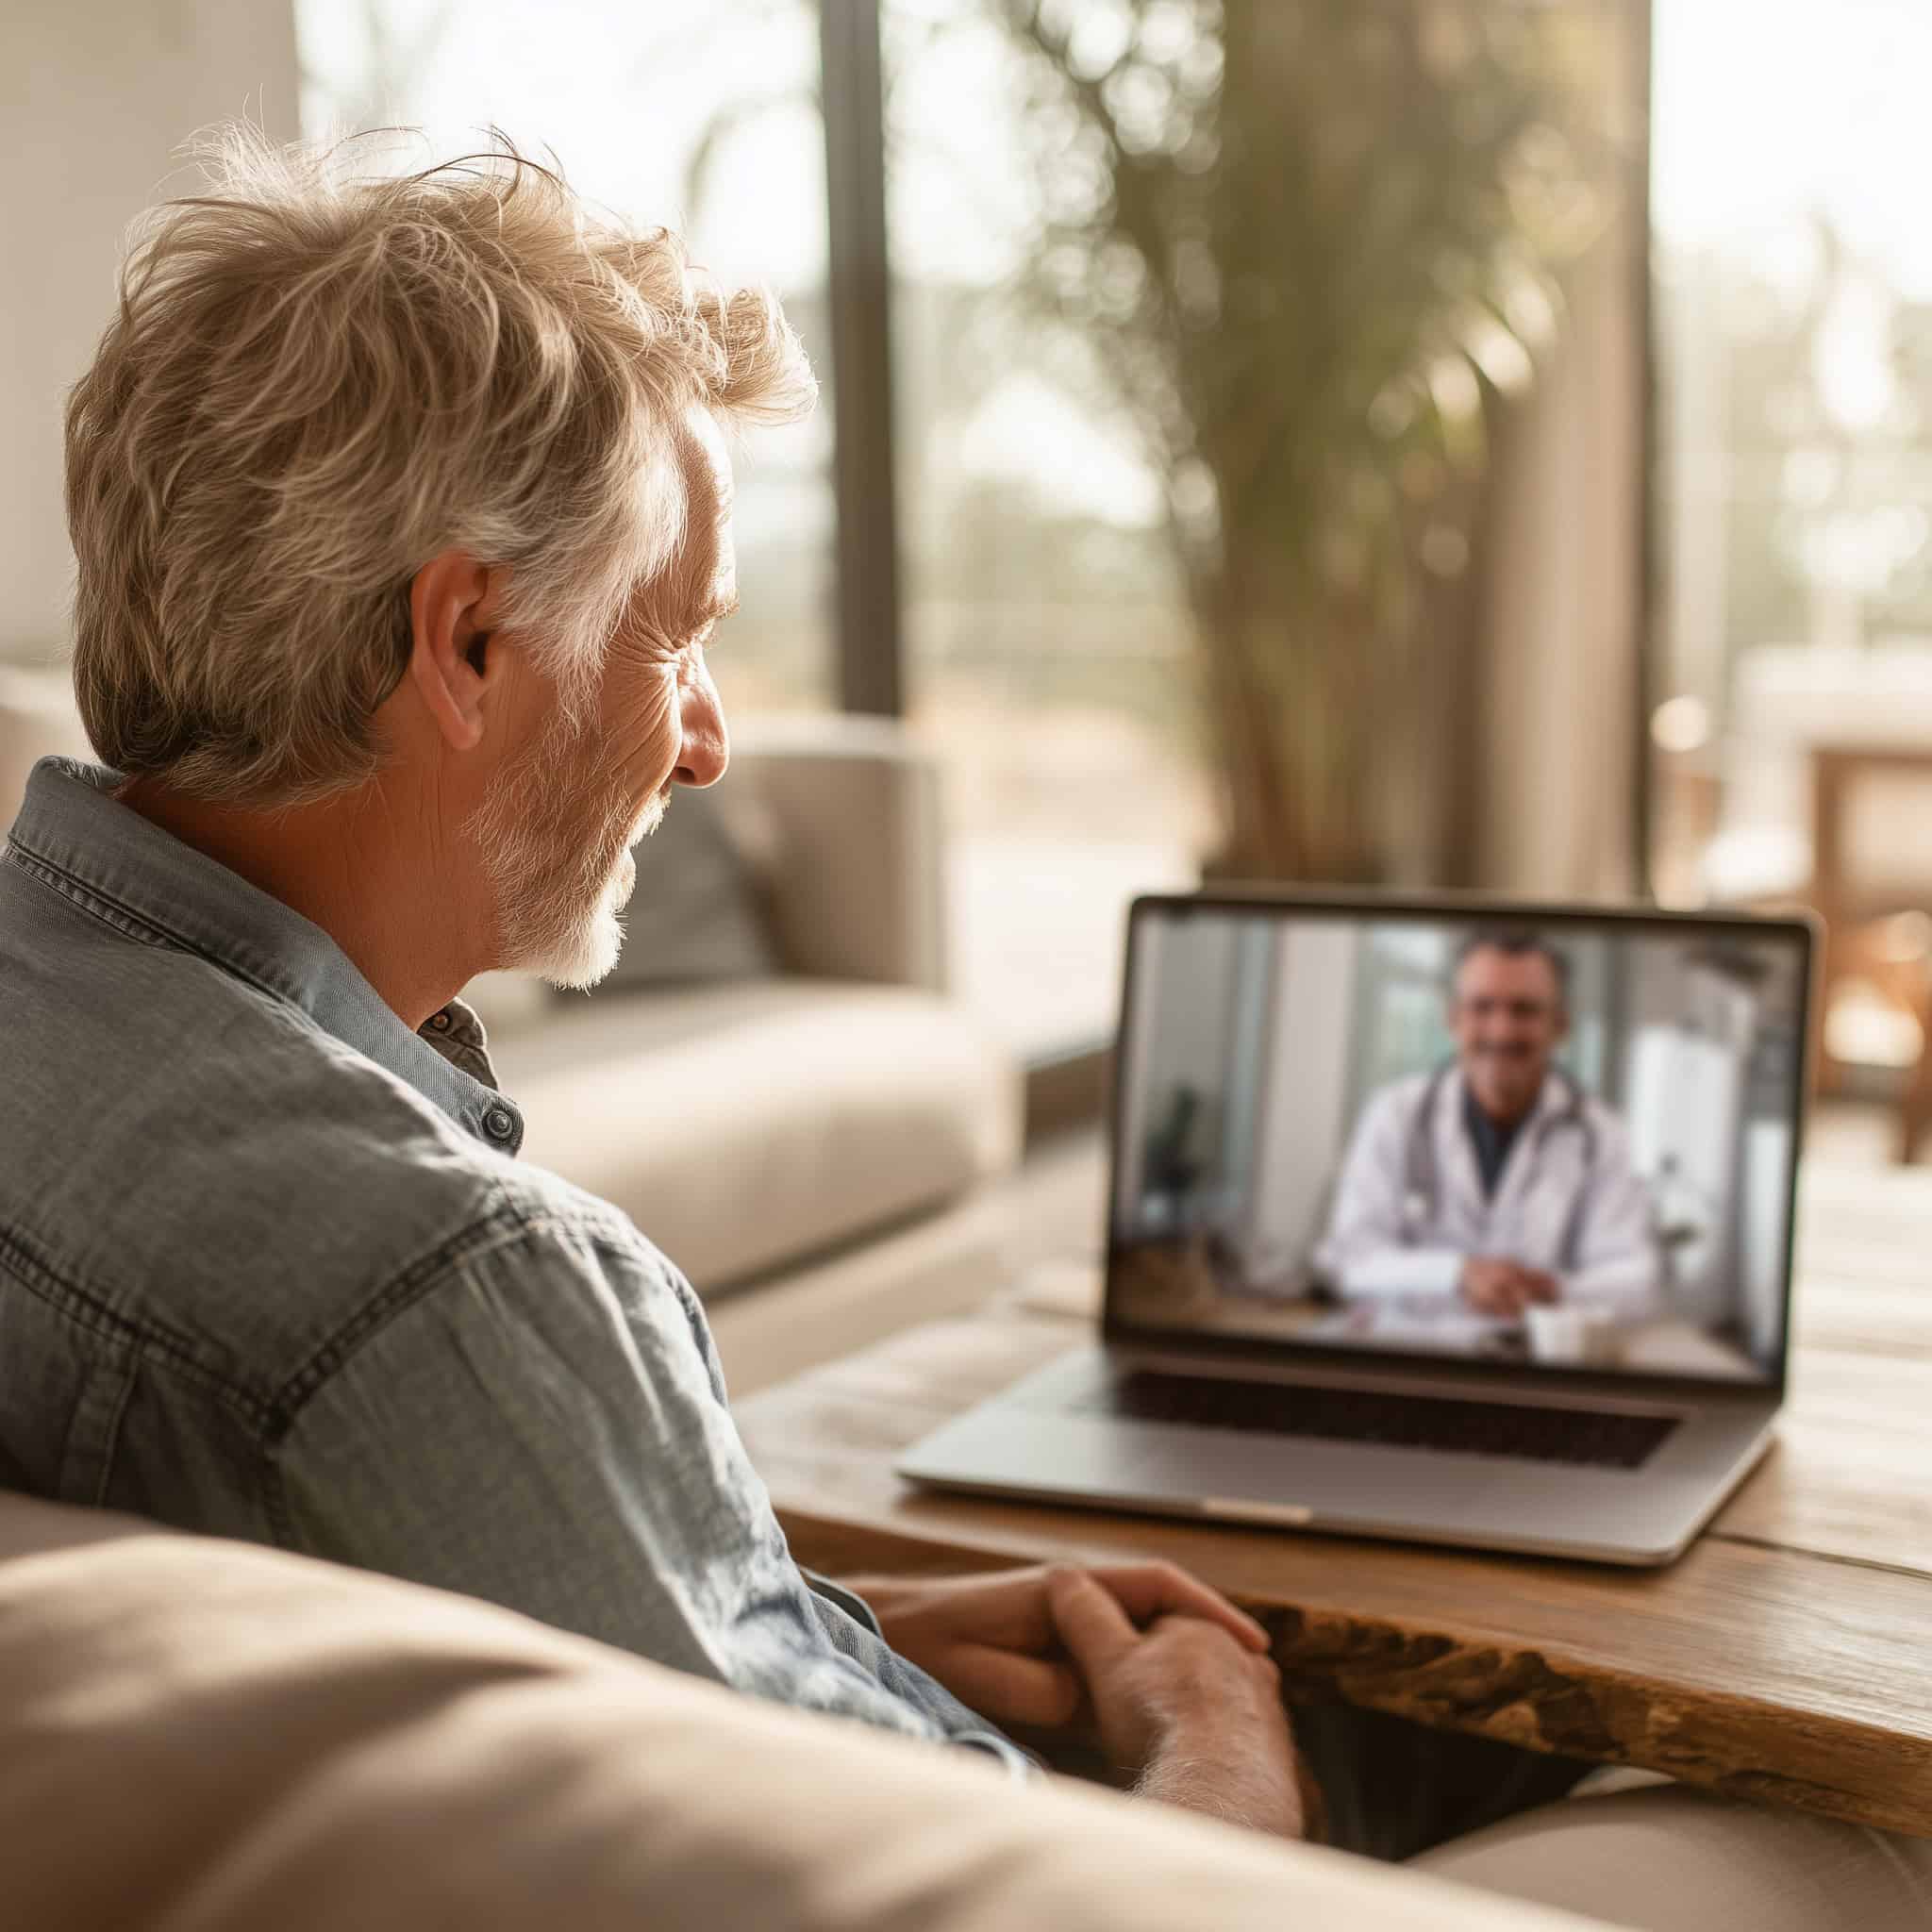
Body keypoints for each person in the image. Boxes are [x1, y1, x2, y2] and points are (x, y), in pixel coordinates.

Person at [0, 126, 1308, 1840]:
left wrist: (803, 1618)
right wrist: (1224, 1751)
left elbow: (325, 1619)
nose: (704, 743)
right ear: (464, 640)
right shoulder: (454, 1292)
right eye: (676, 632)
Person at [1314, 930, 1660, 1326]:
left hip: (1532, 1371)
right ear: (1453, 1018)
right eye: (1483, 1007)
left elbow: (1636, 1280)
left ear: (1560, 1024)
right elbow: (1350, 1261)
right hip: (1407, 1361)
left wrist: (1554, 1288)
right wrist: (1456, 1274)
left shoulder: (1601, 1135)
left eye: (1524, 1010)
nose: (1502, 1031)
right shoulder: (1396, 1115)